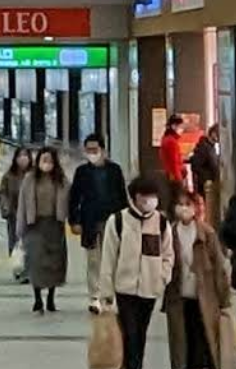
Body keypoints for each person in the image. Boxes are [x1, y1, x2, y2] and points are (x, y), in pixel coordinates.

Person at [99, 176, 175, 369]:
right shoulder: (117, 221)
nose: (149, 200)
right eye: (144, 196)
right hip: (124, 289)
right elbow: (108, 259)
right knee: (130, 335)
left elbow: (168, 255)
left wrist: (162, 278)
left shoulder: (161, 223)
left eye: (152, 196)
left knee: (140, 335)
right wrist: (106, 293)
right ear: (134, 197)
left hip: (149, 289)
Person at [164, 190, 231, 369]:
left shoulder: (207, 233)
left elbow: (219, 267)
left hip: (204, 298)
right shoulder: (170, 233)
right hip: (179, 298)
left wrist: (224, 298)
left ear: (195, 208)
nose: (184, 208)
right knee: (181, 345)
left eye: (188, 204)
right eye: (180, 204)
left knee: (203, 344)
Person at [68, 134, 128, 313]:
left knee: (113, 258)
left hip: (112, 220)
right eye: (88, 150)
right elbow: (74, 198)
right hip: (90, 221)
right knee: (94, 260)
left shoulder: (115, 170)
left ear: (103, 150)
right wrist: (74, 220)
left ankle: (109, 294)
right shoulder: (82, 172)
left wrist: (126, 220)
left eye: (95, 149)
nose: (92, 153)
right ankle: (94, 296)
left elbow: (122, 196)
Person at [16, 147, 70, 314]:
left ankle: (51, 298)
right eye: (44, 160)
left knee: (54, 263)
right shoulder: (29, 179)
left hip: (54, 225)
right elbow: (22, 205)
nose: (47, 163)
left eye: (50, 160)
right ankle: (38, 298)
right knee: (36, 262)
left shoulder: (62, 180)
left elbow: (70, 201)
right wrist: (20, 227)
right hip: (35, 226)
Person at [0, 147, 33, 258]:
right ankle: (16, 262)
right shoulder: (9, 176)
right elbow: (3, 193)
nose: (23, 159)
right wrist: (5, 207)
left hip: (32, 215)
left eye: (25, 155)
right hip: (14, 214)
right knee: (15, 242)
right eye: (20, 156)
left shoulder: (35, 175)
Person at [190, 124, 220, 198]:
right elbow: (196, 165)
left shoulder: (211, 147)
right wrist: (207, 176)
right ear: (213, 133)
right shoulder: (204, 147)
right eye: (218, 134)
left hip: (210, 182)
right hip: (205, 183)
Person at [161, 114, 186, 183]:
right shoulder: (171, 141)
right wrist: (179, 180)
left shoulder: (166, 139)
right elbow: (174, 163)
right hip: (174, 177)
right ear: (173, 126)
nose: (182, 129)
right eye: (180, 126)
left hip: (170, 175)